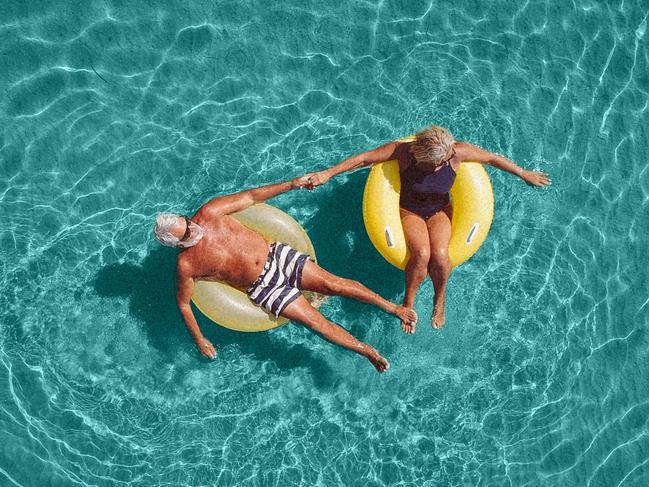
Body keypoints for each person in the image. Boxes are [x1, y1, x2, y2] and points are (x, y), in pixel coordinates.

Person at [302, 125, 551, 333]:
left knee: (441, 256)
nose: (437, 167)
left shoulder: (457, 153)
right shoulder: (403, 152)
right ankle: (408, 302)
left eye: (441, 162)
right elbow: (364, 158)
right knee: (421, 254)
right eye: (432, 164)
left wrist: (523, 173)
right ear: (418, 153)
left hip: (439, 210)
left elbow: (492, 158)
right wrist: (328, 173)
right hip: (409, 211)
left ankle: (438, 298)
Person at [153, 177, 417, 373]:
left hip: (277, 255)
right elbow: (183, 303)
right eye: (186, 234)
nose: (193, 229)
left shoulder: (209, 212)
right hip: (263, 288)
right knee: (315, 323)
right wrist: (200, 339)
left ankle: (393, 308)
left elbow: (252, 196)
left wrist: (293, 184)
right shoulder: (187, 265)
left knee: (332, 283)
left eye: (187, 221)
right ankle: (367, 352)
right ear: (176, 243)